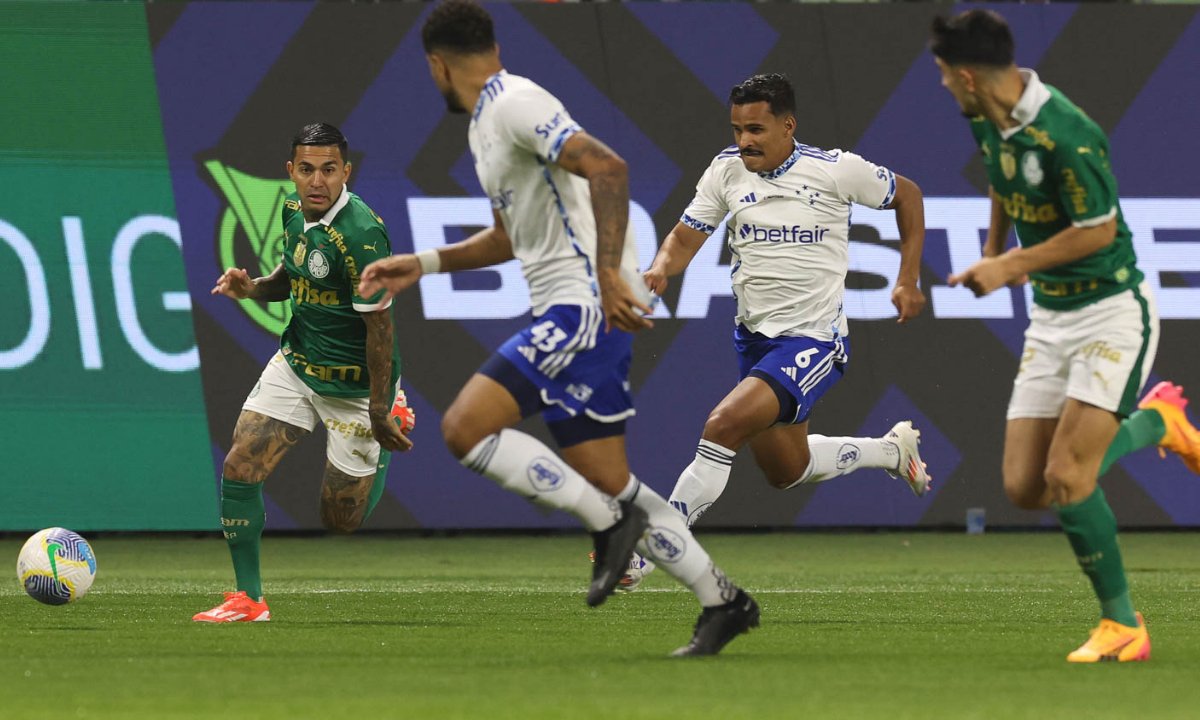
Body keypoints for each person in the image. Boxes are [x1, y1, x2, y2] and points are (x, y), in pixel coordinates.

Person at [358, 0, 757, 657]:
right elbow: (508, 237)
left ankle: (609, 523)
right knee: (612, 479)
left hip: (585, 307)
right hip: (573, 307)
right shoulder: (485, 126)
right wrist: (423, 263)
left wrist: (606, 277)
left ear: (436, 66)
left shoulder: (515, 102)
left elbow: (609, 167)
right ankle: (724, 601)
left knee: (465, 428)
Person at [931, 9, 1200, 662]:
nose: (941, 84)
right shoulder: (987, 116)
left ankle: (1123, 625)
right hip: (1052, 318)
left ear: (968, 76)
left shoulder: (1068, 132)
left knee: (1069, 476)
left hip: (1113, 312)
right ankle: (1157, 422)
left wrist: (1011, 265)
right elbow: (1001, 178)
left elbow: (1098, 231)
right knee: (1027, 487)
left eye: (943, 73)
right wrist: (993, 250)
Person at [619, 73, 931, 589]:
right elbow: (684, 237)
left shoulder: (835, 170)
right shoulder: (726, 171)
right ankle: (892, 451)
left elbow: (910, 196)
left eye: (756, 129)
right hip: (755, 340)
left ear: (788, 126)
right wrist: (659, 269)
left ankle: (653, 545)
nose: (745, 140)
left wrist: (907, 279)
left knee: (723, 426)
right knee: (787, 471)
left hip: (816, 340)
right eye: (738, 129)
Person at [194, 123, 414, 623]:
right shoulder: (293, 209)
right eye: (308, 169)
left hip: (356, 387)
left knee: (340, 520)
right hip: (297, 363)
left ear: (346, 172)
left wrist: (379, 407)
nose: (318, 181)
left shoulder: (362, 236)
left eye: (329, 170)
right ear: (291, 171)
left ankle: (389, 429)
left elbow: (380, 329)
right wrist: (252, 288)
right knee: (240, 464)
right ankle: (249, 599)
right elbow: (293, 276)